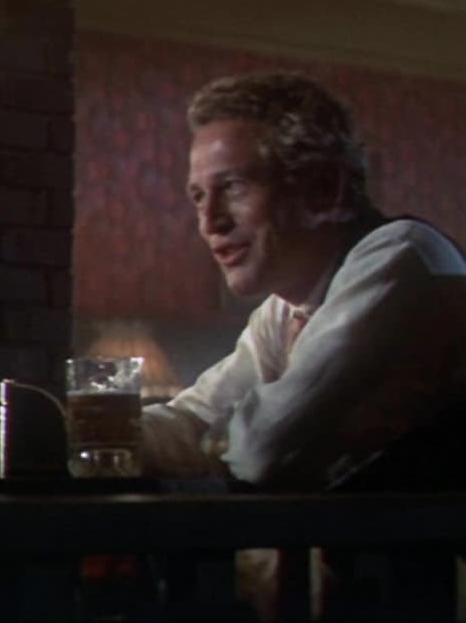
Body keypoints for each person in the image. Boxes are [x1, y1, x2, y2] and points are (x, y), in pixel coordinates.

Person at [141, 71, 466, 491]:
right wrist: (84, 433)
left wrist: (206, 440)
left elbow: (265, 448)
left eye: (233, 187)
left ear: (324, 188)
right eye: (199, 196)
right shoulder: (286, 308)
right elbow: (194, 417)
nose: (210, 222)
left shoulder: (402, 255)